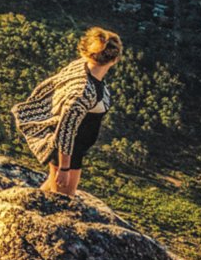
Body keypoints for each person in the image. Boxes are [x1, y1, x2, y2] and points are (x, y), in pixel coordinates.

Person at [13, 27, 121, 198]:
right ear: (114, 59)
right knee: (62, 200)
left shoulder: (81, 66)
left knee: (49, 193)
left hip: (70, 149)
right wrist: (64, 168)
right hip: (68, 153)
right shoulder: (83, 93)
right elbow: (65, 131)